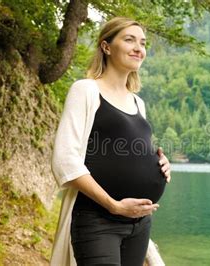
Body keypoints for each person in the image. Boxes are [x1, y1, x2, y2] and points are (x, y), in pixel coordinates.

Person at [50, 17, 171, 266]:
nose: (139, 48)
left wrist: (160, 164)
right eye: (129, 40)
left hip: (140, 224)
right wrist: (113, 205)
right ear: (106, 47)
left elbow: (131, 152)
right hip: (98, 220)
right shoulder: (86, 90)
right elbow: (65, 161)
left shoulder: (138, 103)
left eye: (143, 43)